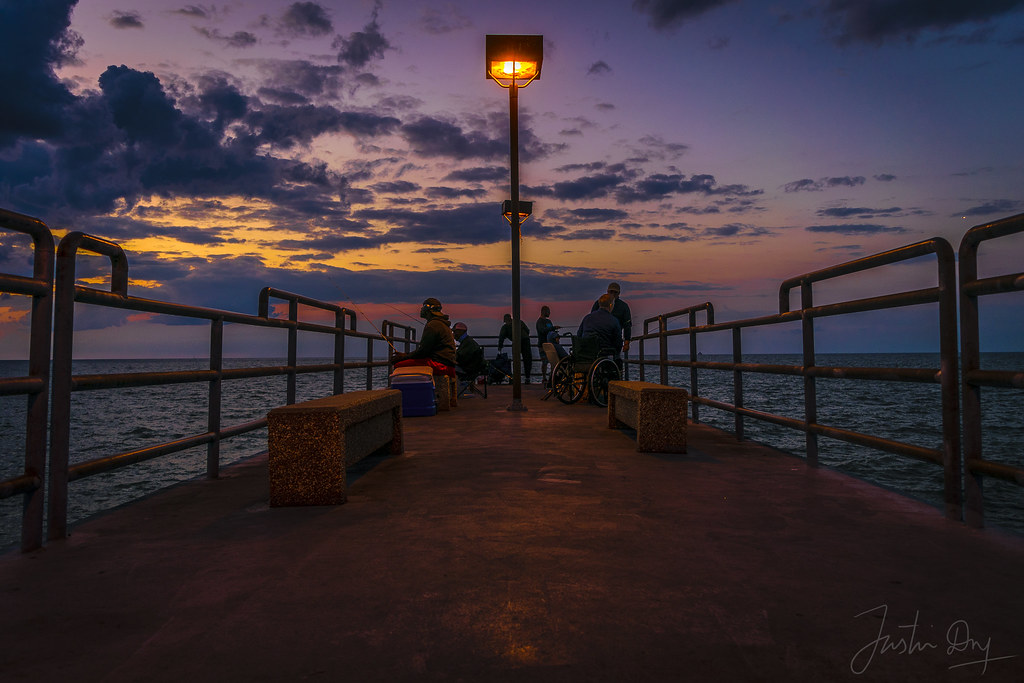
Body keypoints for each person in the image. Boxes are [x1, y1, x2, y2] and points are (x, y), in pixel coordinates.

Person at [392, 298, 456, 377]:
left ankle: (409, 389)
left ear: (427, 309)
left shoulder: (432, 325)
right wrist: (405, 355)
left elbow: (423, 352)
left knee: (398, 365)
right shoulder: (441, 323)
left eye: (423, 306)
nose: (421, 309)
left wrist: (404, 357)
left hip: (440, 365)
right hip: (447, 363)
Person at [591, 282, 632, 356]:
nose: (613, 294)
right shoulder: (598, 304)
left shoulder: (623, 307)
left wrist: (627, 341)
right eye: (611, 292)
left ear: (618, 293)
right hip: (597, 340)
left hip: (613, 339)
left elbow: (627, 325)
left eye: (615, 292)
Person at [578, 293, 622, 359]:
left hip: (586, 354)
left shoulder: (587, 318)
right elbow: (618, 342)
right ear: (611, 305)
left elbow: (579, 335)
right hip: (603, 354)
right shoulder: (613, 320)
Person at [497, 312, 532, 384]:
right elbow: (527, 331)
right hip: (526, 340)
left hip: (516, 342)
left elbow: (501, 337)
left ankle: (515, 377)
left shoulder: (505, 327)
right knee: (527, 360)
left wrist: (500, 347)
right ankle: (527, 378)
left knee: (516, 360)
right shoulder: (520, 322)